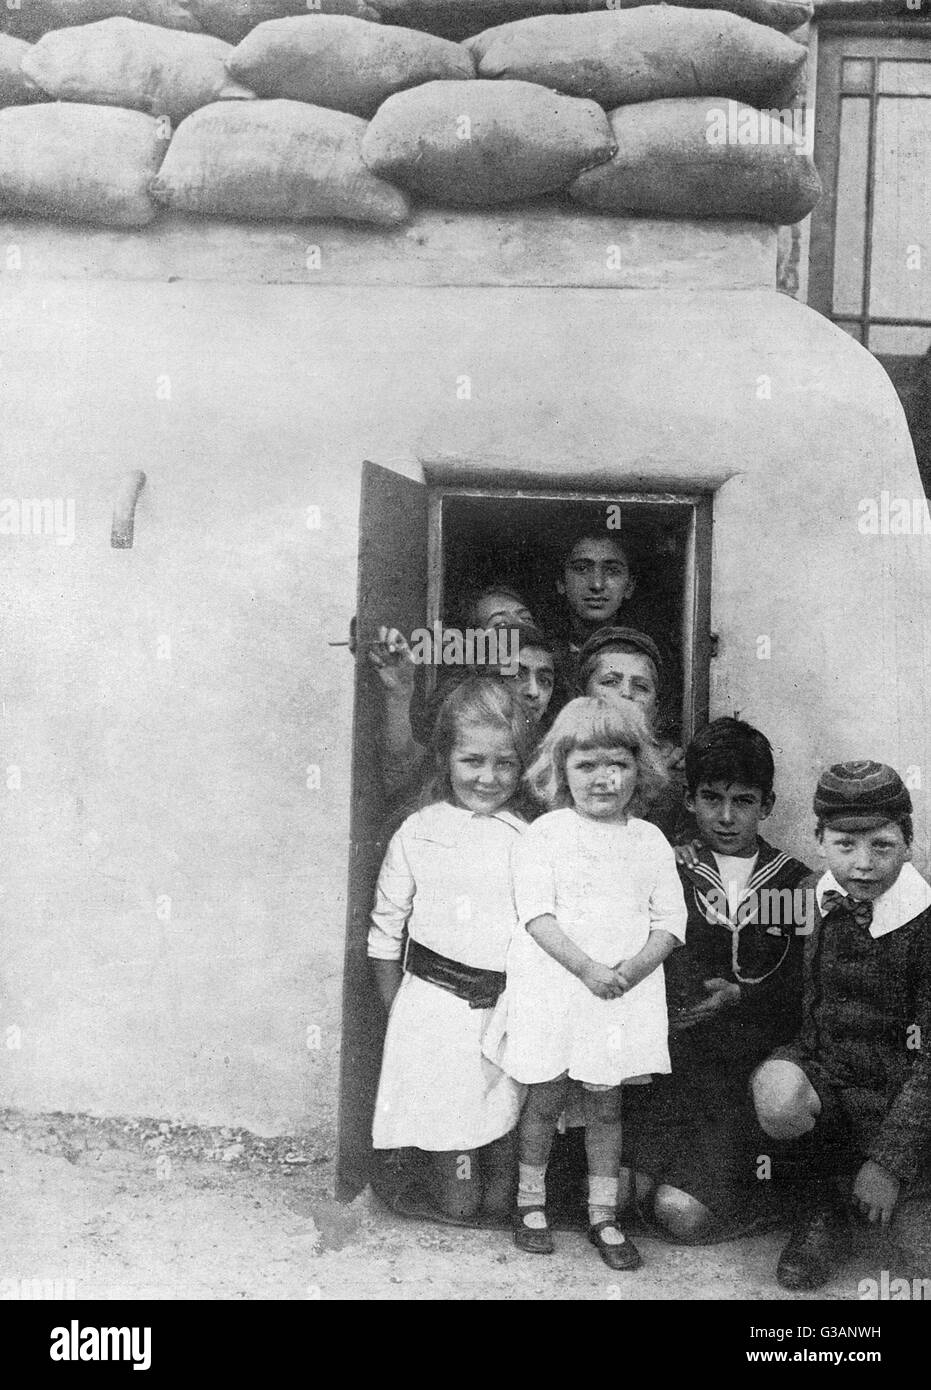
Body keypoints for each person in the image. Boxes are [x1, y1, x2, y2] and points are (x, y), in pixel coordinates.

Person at [486, 697, 687, 1269]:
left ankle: (603, 1214)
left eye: (618, 765)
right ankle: (531, 1203)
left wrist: (632, 970)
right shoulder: (545, 835)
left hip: (619, 998)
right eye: (587, 765)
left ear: (638, 770)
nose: (604, 779)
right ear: (560, 770)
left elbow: (670, 922)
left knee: (605, 1106)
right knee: (544, 1098)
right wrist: (587, 970)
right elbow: (536, 916)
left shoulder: (648, 841)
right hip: (556, 990)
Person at [752, 761, 931, 1291]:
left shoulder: (925, 921)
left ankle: (888, 1188)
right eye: (845, 845)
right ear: (820, 840)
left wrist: (889, 1163)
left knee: (920, 1261)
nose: (863, 865)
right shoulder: (809, 894)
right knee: (778, 1092)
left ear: (909, 841)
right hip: (826, 1075)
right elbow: (778, 981)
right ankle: (821, 1207)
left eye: (882, 845)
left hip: (902, 1101)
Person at [633, 718, 810, 1241]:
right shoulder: (672, 867)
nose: (727, 817)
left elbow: (802, 988)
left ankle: (765, 1199)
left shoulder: (794, 881)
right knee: (620, 1198)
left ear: (768, 804)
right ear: (688, 801)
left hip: (740, 1074)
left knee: (679, 1215)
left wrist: (742, 995)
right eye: (711, 799)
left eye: (744, 801)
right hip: (670, 1071)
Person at [367, 678, 533, 1223]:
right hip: (433, 1010)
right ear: (444, 756)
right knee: (461, 1202)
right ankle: (435, 1182)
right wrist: (401, 1010)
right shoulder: (417, 832)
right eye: (472, 760)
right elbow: (386, 931)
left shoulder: (530, 838)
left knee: (499, 1183)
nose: (488, 777)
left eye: (504, 763)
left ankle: (499, 1185)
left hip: (504, 1014)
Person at [372, 609, 558, 803]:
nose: (534, 691)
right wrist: (399, 694)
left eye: (545, 680)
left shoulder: (556, 757)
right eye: (517, 675)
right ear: (487, 677)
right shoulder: (459, 735)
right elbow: (404, 771)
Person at [577, 626, 686, 842]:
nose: (626, 693)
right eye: (610, 682)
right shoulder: (558, 768)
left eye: (641, 686)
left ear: (655, 708)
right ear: (581, 697)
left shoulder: (674, 783)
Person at [547, 529, 640, 690]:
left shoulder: (644, 658)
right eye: (582, 569)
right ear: (561, 582)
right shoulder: (543, 654)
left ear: (629, 587)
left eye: (612, 570)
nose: (597, 585)